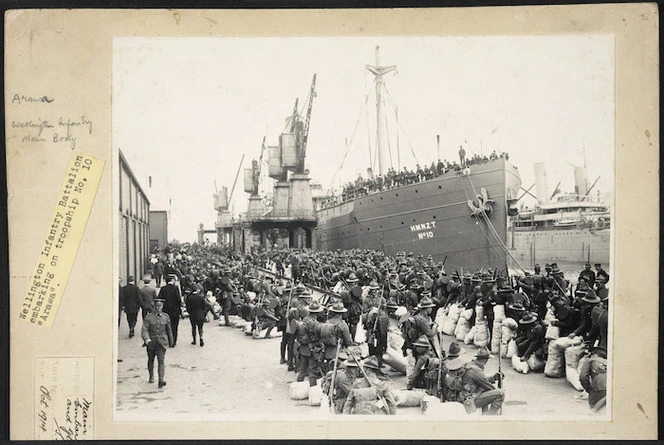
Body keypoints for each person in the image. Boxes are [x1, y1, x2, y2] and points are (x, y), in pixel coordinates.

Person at [460, 346, 505, 415]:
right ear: (485, 360)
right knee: (500, 394)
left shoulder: (471, 364)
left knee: (484, 389)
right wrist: (496, 391)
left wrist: (494, 378)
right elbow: (489, 387)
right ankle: (491, 416)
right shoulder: (477, 370)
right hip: (470, 399)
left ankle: (485, 412)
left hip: (466, 394)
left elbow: (481, 380)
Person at [141, 298, 174, 388]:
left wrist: (171, 341)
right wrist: (147, 339)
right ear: (154, 307)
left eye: (160, 306)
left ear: (162, 307)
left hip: (162, 343)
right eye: (157, 306)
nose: (158, 308)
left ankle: (161, 380)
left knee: (161, 361)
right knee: (151, 360)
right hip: (151, 343)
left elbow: (169, 330)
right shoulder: (148, 318)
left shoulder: (166, 317)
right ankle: (151, 376)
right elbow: (144, 330)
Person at [296, 303, 324, 387]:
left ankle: (298, 387)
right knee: (313, 371)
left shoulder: (305, 319)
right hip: (312, 349)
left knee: (302, 370)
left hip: (303, 348)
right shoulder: (315, 323)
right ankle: (313, 390)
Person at [579, 346, 607, 413]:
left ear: (594, 355)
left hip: (598, 389)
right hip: (610, 389)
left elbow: (583, 377)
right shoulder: (610, 362)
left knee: (594, 411)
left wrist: (588, 389)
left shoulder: (590, 361)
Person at [158, 274, 182, 346]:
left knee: (166, 326)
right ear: (172, 280)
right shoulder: (176, 288)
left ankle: (168, 340)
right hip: (175, 311)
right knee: (174, 326)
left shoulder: (163, 288)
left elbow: (159, 299)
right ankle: (173, 341)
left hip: (166, 311)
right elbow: (178, 300)